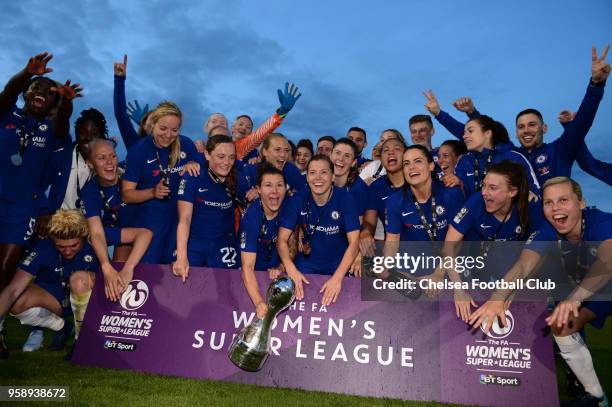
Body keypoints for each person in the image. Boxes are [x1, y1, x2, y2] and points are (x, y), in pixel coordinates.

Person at [468, 177, 610, 407]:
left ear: (581, 203)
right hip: (599, 289)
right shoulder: (547, 231)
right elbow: (524, 265)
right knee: (562, 324)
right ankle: (598, 398)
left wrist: (573, 299)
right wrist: (497, 298)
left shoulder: (601, 221)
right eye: (548, 202)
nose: (555, 208)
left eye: (563, 200)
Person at [426, 45, 610, 186]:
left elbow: (582, 123)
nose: (526, 130)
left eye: (532, 125)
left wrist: (596, 85)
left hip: (554, 225)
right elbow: (476, 136)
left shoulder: (559, 150)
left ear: (544, 128)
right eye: (521, 127)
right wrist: (442, 114)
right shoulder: (510, 154)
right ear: (515, 132)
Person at [0, 52, 78, 358]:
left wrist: (66, 101)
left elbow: (63, 121)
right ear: (25, 93)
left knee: (5, 272)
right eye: (35, 88)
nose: (41, 94)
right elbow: (6, 94)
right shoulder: (7, 115)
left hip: (21, 209)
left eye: (48, 92)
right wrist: (25, 73)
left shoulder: (52, 130)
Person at [0, 210, 99, 359]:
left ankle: (82, 341)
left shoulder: (96, 243)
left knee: (78, 280)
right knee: (15, 301)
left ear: (83, 237)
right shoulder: (43, 247)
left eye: (73, 245)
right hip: (57, 299)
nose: (67, 251)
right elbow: (13, 290)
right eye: (61, 247)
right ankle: (62, 327)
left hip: (90, 301)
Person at [122, 101, 201, 263]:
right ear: (152, 124)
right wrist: (152, 192)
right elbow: (127, 195)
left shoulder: (186, 144)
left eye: (174, 130)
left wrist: (195, 165)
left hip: (180, 221)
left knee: (175, 274)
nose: (168, 135)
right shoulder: (139, 151)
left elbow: (204, 177)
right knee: (149, 273)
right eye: (163, 128)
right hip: (150, 223)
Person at [277, 155, 360, 305]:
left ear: (333, 176)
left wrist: (338, 278)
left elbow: (354, 242)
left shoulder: (345, 198)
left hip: (338, 267)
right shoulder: (298, 199)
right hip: (305, 268)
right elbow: (281, 239)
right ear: (307, 177)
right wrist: (291, 269)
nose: (318, 178)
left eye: (323, 172)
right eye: (312, 173)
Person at [80, 138, 153, 301]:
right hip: (118, 235)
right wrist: (107, 267)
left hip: (145, 228)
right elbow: (97, 234)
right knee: (117, 275)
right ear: (90, 164)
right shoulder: (89, 191)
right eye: (101, 158)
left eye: (112, 156)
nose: (109, 163)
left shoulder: (129, 170)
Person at [173, 135, 244, 279]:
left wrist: (256, 191)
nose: (227, 162)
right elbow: (184, 219)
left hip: (223, 243)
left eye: (231, 157)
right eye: (221, 156)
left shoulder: (239, 178)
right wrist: (181, 256)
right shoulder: (193, 175)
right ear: (207, 154)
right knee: (182, 286)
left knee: (228, 287)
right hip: (194, 241)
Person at [197, 83, 301, 164]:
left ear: (250, 133)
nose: (243, 128)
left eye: (248, 127)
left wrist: (282, 111)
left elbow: (262, 132)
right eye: (241, 124)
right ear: (232, 128)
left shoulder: (239, 147)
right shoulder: (198, 147)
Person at [385, 145, 465, 243]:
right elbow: (392, 244)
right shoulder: (395, 200)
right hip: (412, 257)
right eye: (406, 163)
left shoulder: (451, 194)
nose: (411, 167)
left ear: (431, 166)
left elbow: (456, 241)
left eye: (418, 161)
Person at [446, 115, 540, 198]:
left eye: (470, 131)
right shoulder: (464, 161)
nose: (464, 136)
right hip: (475, 215)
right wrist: (459, 184)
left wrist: (531, 195)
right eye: (464, 133)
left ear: (487, 133)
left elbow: (535, 191)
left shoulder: (513, 157)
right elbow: (460, 197)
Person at [239, 165, 287, 319]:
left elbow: (293, 246)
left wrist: (281, 267)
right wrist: (259, 302)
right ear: (258, 189)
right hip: (255, 274)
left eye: (279, 185)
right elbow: (247, 267)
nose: (274, 191)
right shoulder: (252, 218)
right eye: (268, 185)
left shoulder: (291, 207)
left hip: (278, 269)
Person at [360, 137, 407, 254]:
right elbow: (369, 222)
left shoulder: (417, 182)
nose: (391, 152)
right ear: (380, 159)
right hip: (392, 254)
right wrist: (365, 233)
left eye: (397, 149)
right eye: (385, 150)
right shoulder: (376, 187)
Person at [240, 133, 305, 199]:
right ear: (265, 151)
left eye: (286, 150)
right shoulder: (250, 171)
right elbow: (243, 198)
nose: (283, 154)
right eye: (277, 149)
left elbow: (303, 197)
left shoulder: (292, 171)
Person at [112, 54, 152, 149]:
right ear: (145, 127)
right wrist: (119, 79)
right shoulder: (136, 145)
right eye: (151, 121)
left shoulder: (173, 148)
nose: (154, 124)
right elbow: (120, 114)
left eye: (158, 121)